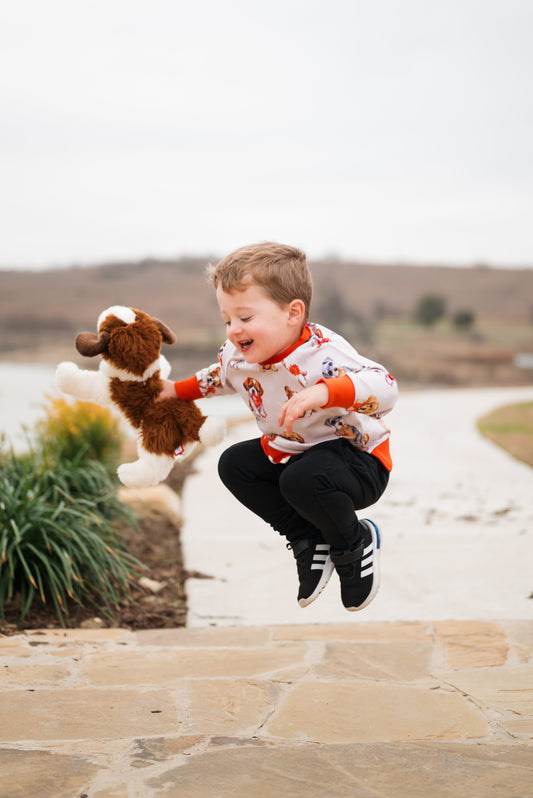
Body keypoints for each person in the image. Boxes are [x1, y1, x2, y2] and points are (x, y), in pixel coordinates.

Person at [156, 242, 398, 611]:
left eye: (245, 317)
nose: (234, 330)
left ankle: (354, 543)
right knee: (235, 464)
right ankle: (307, 539)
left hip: (359, 463)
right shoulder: (239, 356)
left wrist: (324, 391)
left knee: (300, 480)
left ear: (293, 313)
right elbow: (219, 377)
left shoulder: (325, 353)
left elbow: (386, 387)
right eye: (227, 319)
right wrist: (176, 391)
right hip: (298, 457)